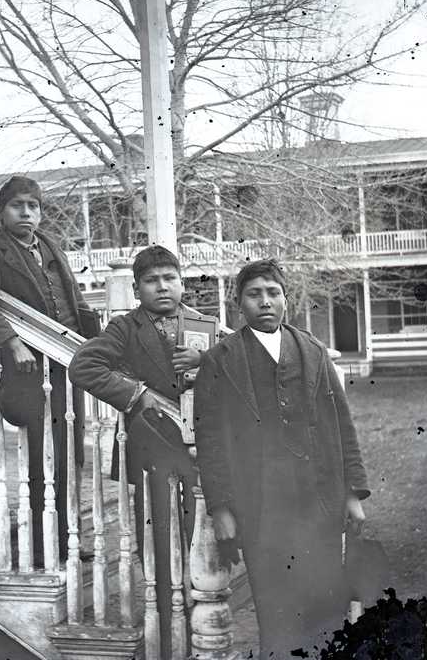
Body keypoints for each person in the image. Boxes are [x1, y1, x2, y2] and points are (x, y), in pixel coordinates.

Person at [193, 259, 370, 660]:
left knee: (326, 608)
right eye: (254, 295)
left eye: (273, 293)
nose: (265, 302)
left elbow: (341, 424)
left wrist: (352, 494)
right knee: (277, 613)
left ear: (286, 300)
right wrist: (221, 507)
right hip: (261, 509)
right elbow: (210, 440)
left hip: (318, 502)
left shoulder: (312, 351)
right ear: (239, 305)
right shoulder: (221, 360)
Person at [68, 245, 209, 659]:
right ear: (136, 288)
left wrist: (207, 359)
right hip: (152, 452)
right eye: (152, 280)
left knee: (201, 540)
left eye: (170, 278)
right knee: (160, 546)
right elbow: (83, 367)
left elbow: (235, 369)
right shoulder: (124, 329)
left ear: (182, 282)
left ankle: (202, 632)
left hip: (200, 451)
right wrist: (136, 393)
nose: (162, 287)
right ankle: (167, 641)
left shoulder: (204, 325)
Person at [0, 175, 94, 566]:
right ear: (1, 213)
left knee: (72, 457)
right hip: (28, 372)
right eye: (17, 205)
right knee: (42, 458)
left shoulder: (50, 248)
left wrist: (101, 346)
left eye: (32, 206)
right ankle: (40, 546)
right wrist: (12, 342)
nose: (26, 212)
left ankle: (68, 537)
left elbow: (77, 303)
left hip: (67, 366)